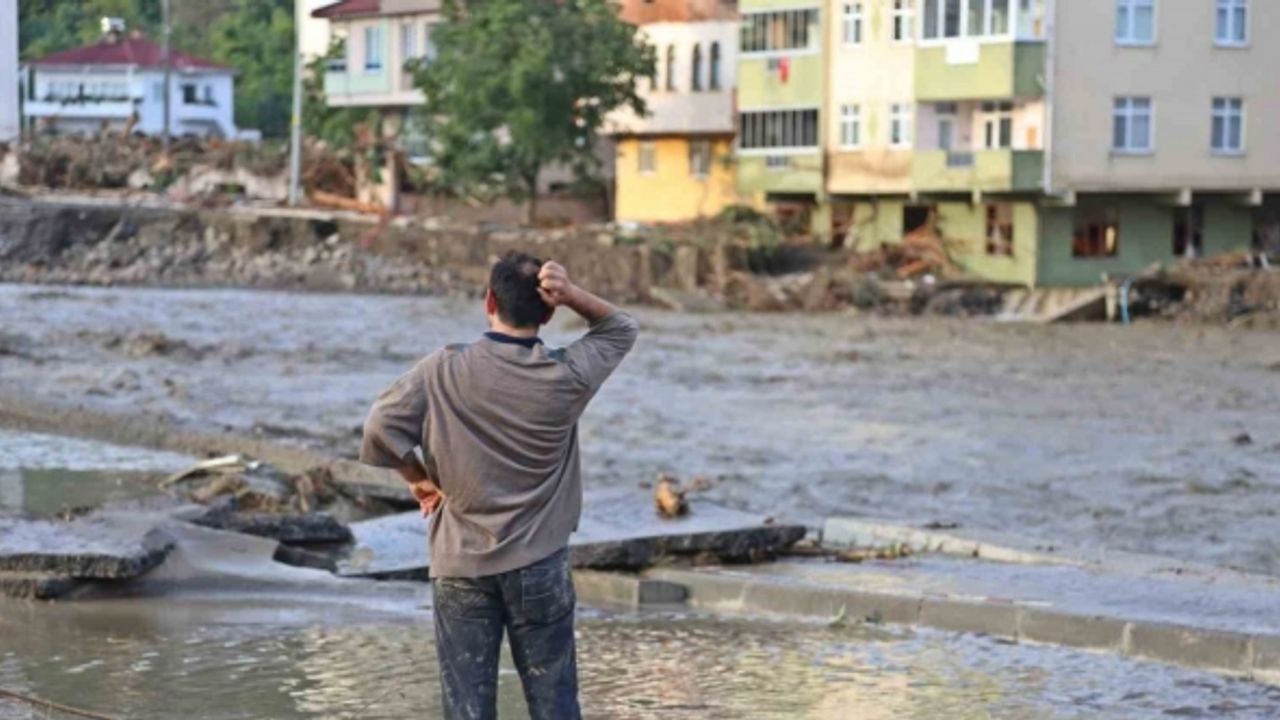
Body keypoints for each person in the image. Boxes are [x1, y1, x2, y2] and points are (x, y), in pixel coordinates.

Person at [359, 251, 639, 720]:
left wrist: (419, 479)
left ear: (488, 300)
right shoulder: (566, 374)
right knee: (554, 703)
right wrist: (572, 294)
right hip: (539, 563)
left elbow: (378, 430)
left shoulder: (440, 370)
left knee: (467, 707)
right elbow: (620, 328)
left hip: (459, 563)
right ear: (549, 313)